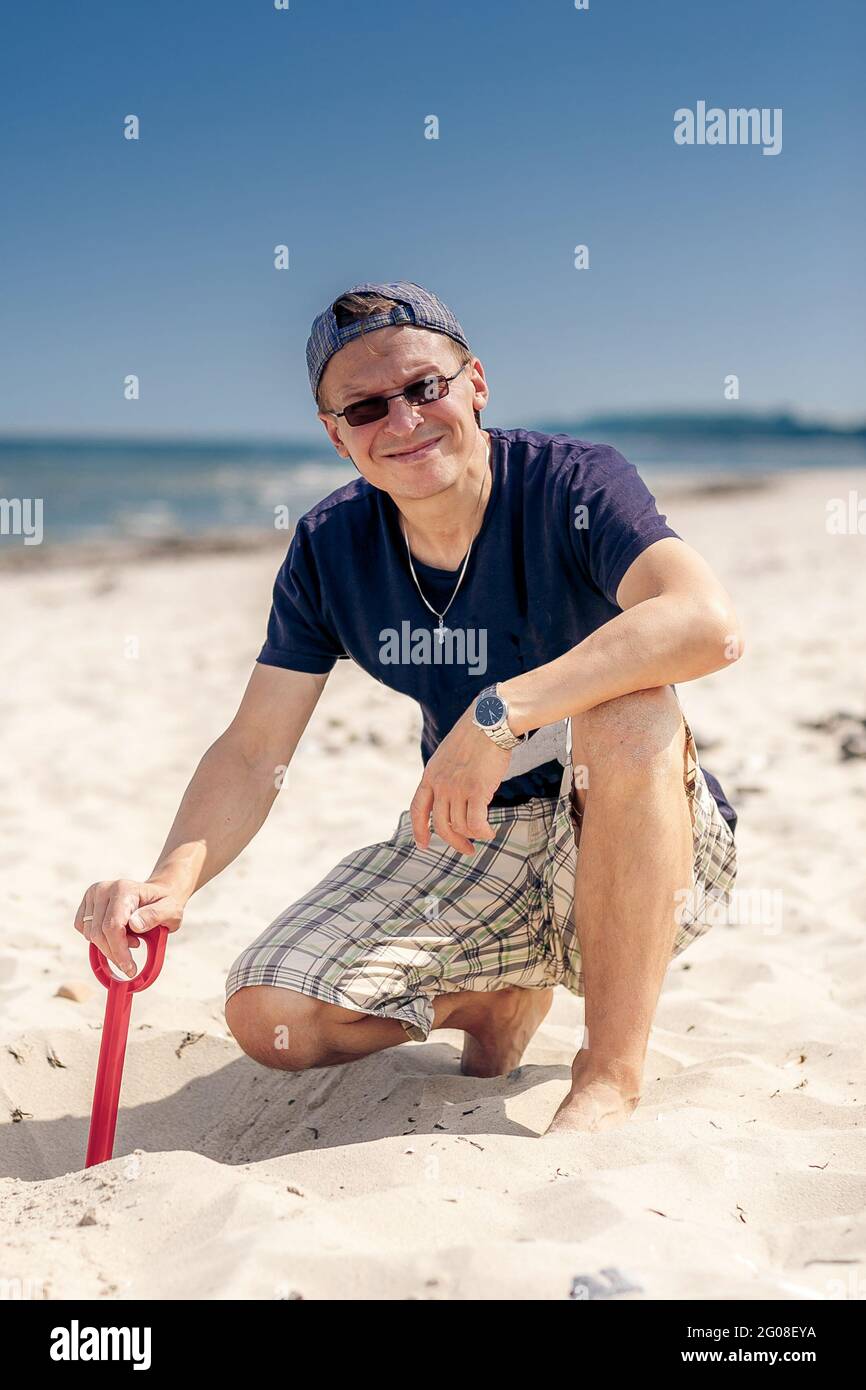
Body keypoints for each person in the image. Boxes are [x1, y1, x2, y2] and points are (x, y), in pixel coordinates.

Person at [74, 281, 741, 1135]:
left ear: (476, 384)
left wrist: (500, 712)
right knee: (271, 1014)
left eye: (426, 387)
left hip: (638, 829)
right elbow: (253, 749)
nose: (403, 420)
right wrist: (170, 882)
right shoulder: (330, 544)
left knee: (630, 710)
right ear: (335, 434)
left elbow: (707, 624)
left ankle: (609, 1074)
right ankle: (494, 1000)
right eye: (366, 407)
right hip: (475, 836)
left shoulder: (573, 484)